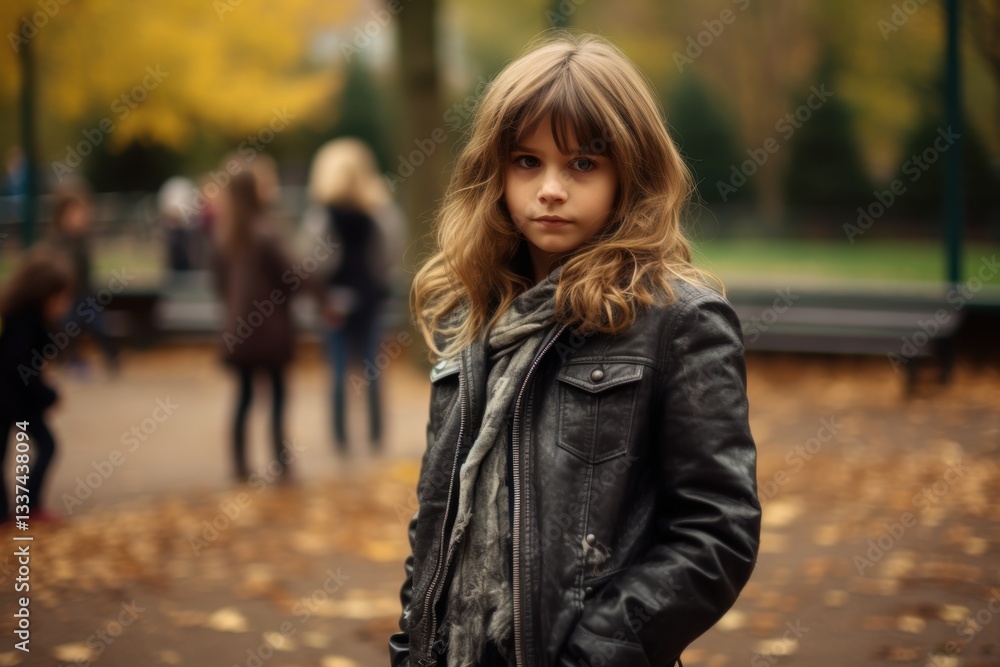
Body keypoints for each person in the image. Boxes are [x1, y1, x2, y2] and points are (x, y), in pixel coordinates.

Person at [390, 33, 761, 667]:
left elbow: (717, 531)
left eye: (583, 164)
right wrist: (408, 648)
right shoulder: (472, 318)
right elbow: (435, 520)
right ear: (495, 172)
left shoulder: (678, 321)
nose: (551, 189)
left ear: (630, 172)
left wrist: (597, 651)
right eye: (527, 161)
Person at [305, 138, 404, 455]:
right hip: (371, 298)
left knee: (337, 372)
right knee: (373, 370)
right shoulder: (380, 213)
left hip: (333, 302)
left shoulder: (321, 215)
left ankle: (341, 440)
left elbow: (312, 260)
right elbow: (391, 253)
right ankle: (375, 437)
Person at [210, 170, 296, 483]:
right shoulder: (267, 233)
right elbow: (292, 275)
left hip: (240, 334)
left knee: (244, 397)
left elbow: (219, 286)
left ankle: (239, 464)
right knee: (278, 396)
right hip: (271, 332)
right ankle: (281, 463)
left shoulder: (223, 237)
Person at [0, 249, 74, 523]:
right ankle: (18, 508)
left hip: (19, 399)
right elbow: (20, 369)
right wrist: (48, 396)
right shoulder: (21, 322)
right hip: (9, 400)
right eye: (61, 298)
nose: (64, 305)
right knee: (41, 446)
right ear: (43, 295)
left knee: (46, 445)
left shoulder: (32, 320)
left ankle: (25, 505)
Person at [46, 182, 119, 375]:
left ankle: (112, 358)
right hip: (68, 296)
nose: (81, 218)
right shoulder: (58, 242)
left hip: (85, 295)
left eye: (83, 212)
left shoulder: (82, 240)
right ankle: (70, 360)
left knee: (98, 326)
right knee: (67, 326)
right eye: (75, 213)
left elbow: (87, 273)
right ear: (62, 216)